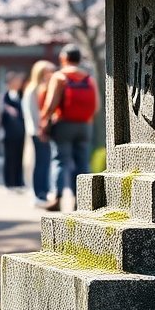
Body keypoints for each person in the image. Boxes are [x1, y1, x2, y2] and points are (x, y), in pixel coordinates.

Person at [40, 45, 99, 212]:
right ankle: (82, 200)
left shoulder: (60, 76)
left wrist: (43, 121)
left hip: (64, 124)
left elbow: (50, 104)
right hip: (85, 125)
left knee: (60, 160)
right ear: (79, 59)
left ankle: (57, 198)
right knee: (82, 162)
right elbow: (97, 106)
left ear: (64, 58)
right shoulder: (89, 78)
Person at [24, 60, 56, 207]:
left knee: (45, 162)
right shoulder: (33, 90)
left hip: (43, 130)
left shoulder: (45, 88)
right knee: (40, 163)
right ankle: (39, 193)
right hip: (37, 131)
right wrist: (39, 129)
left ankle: (44, 190)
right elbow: (32, 113)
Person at [0, 72, 27, 190]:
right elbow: (0, 110)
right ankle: (9, 182)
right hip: (8, 133)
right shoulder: (4, 96)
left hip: (21, 133)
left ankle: (19, 182)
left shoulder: (22, 95)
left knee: (20, 158)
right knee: (9, 158)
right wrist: (8, 109)